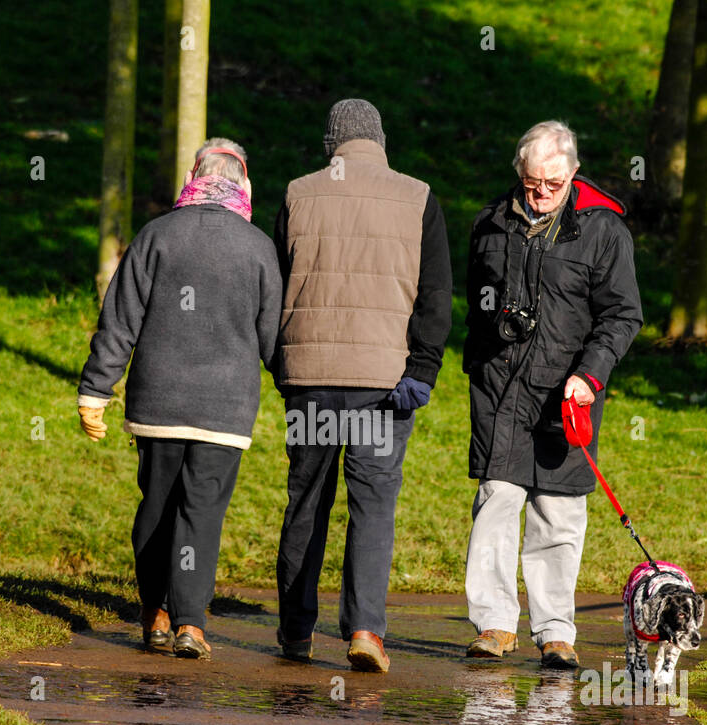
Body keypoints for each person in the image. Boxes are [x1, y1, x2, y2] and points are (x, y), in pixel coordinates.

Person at [77, 138, 281, 661]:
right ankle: (190, 622)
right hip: (224, 409)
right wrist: (303, 392)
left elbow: (119, 320)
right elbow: (272, 338)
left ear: (193, 176)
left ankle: (155, 612)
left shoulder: (156, 235)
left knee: (157, 507)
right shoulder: (257, 247)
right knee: (202, 514)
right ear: (244, 185)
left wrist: (96, 389)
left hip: (157, 404)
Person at [273, 99, 452, 673]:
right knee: (372, 506)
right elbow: (436, 297)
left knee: (307, 503)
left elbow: (272, 287)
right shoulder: (418, 197)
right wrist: (421, 369)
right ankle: (367, 631)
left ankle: (297, 632)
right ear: (380, 140)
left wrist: (281, 363)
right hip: (383, 385)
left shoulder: (298, 193)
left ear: (331, 144)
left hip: (311, 383)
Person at [461, 120, 643, 669]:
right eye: (532, 182)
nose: (540, 194)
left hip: (568, 395)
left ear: (574, 174)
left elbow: (622, 314)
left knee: (558, 515)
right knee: (496, 504)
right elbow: (475, 299)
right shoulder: (491, 222)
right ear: (520, 172)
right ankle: (493, 625)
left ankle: (556, 632)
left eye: (553, 184)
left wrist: (590, 374)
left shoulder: (604, 231)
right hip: (500, 388)